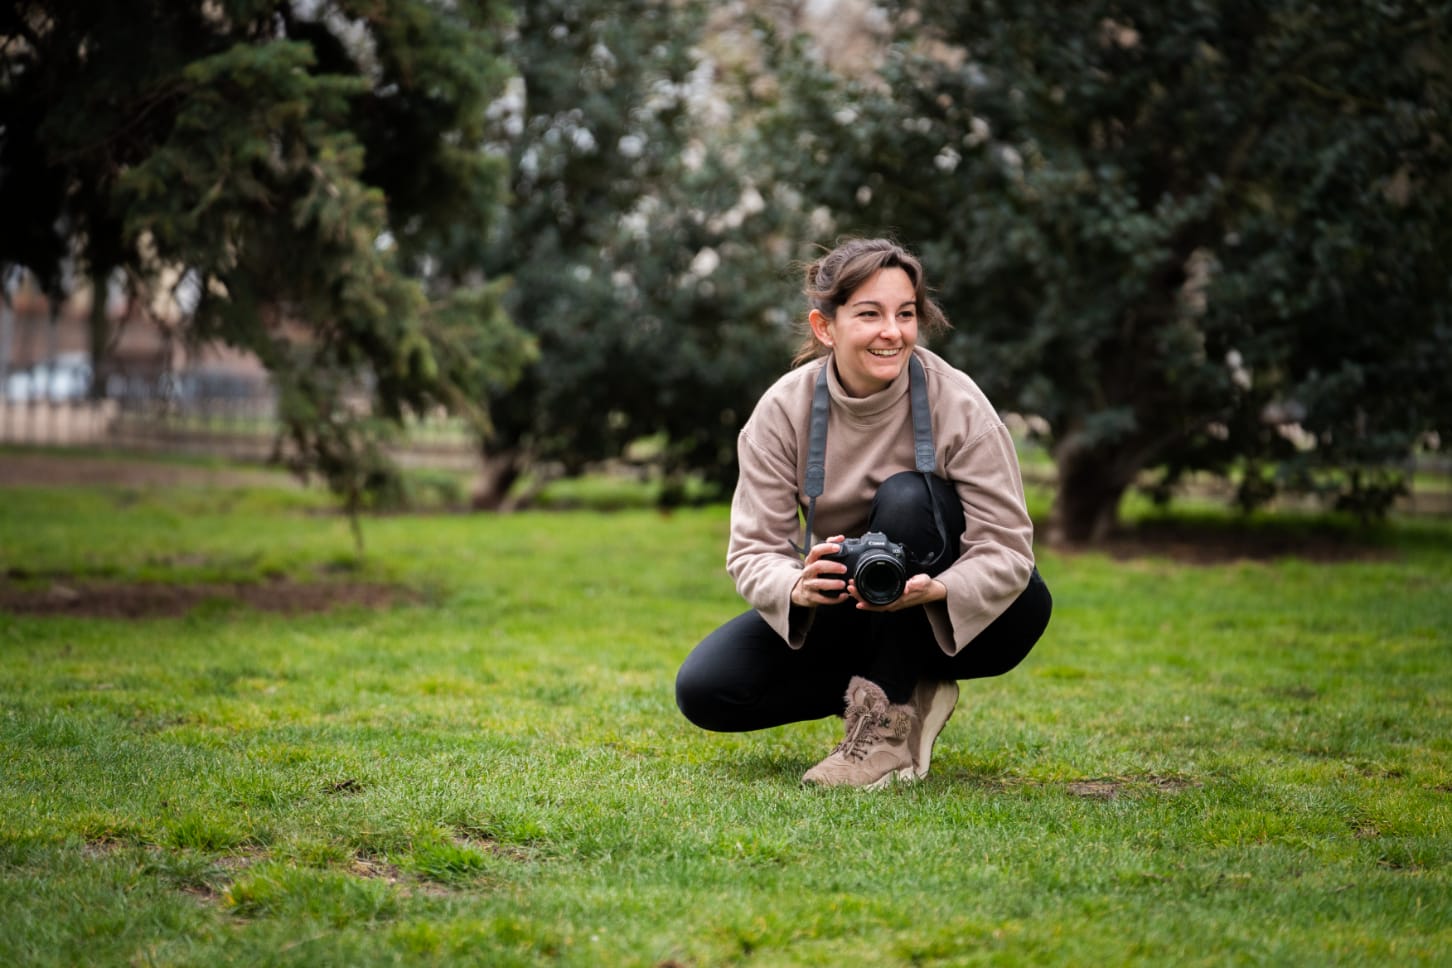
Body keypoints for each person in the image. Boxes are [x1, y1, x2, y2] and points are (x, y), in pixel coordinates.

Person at [675, 238, 1052, 789]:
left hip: (982, 617)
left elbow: (1009, 549)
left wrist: (941, 591)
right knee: (708, 688)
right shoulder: (782, 411)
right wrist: (796, 585)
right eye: (869, 314)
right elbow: (754, 549)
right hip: (854, 608)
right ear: (825, 327)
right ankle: (902, 685)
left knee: (906, 496)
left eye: (905, 314)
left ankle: (884, 727)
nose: (892, 332)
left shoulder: (959, 403)